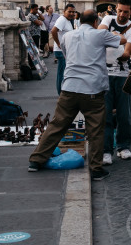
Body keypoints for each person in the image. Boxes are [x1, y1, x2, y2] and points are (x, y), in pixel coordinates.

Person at [28, 9, 120, 181]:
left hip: (69, 88)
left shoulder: (67, 36)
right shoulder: (100, 34)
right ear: (95, 22)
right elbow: (120, 40)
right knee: (95, 131)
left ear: (78, 21)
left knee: (57, 126)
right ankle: (96, 169)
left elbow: (66, 55)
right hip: (92, 90)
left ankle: (36, 160)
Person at [99, 0, 131, 164]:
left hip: (123, 75)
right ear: (115, 9)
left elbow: (126, 54)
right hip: (104, 74)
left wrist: (111, 39)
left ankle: (123, 147)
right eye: (120, 10)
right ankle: (106, 150)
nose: (122, 14)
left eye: (125, 11)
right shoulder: (107, 19)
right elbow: (98, 36)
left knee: (124, 115)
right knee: (105, 114)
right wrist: (119, 39)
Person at [51, 4, 78, 93]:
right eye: (69, 11)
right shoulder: (62, 20)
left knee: (64, 72)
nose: (71, 13)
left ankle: (63, 92)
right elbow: (53, 31)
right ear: (64, 11)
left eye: (73, 12)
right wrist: (58, 43)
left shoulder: (68, 20)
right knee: (62, 73)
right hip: (61, 51)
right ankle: (60, 93)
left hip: (65, 51)